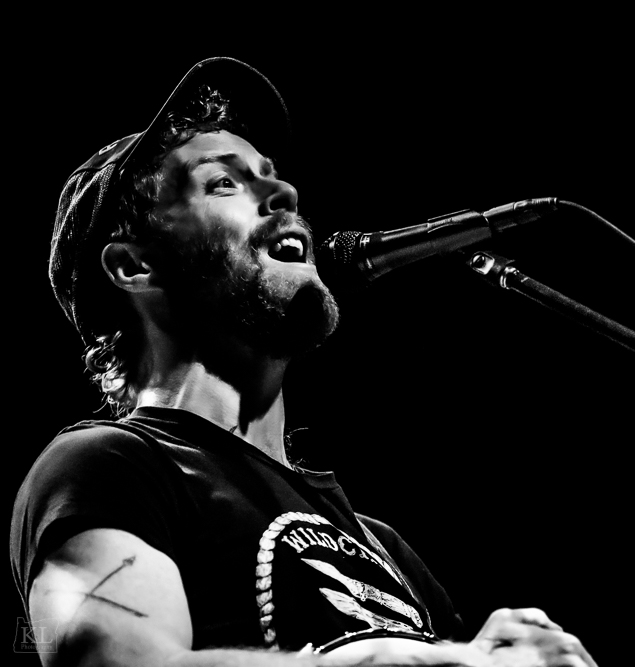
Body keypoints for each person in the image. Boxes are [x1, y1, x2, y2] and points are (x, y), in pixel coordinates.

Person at [10, 57, 598, 667]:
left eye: (271, 176)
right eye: (223, 183)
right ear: (136, 266)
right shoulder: (104, 466)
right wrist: (420, 662)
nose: (285, 194)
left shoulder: (382, 547)